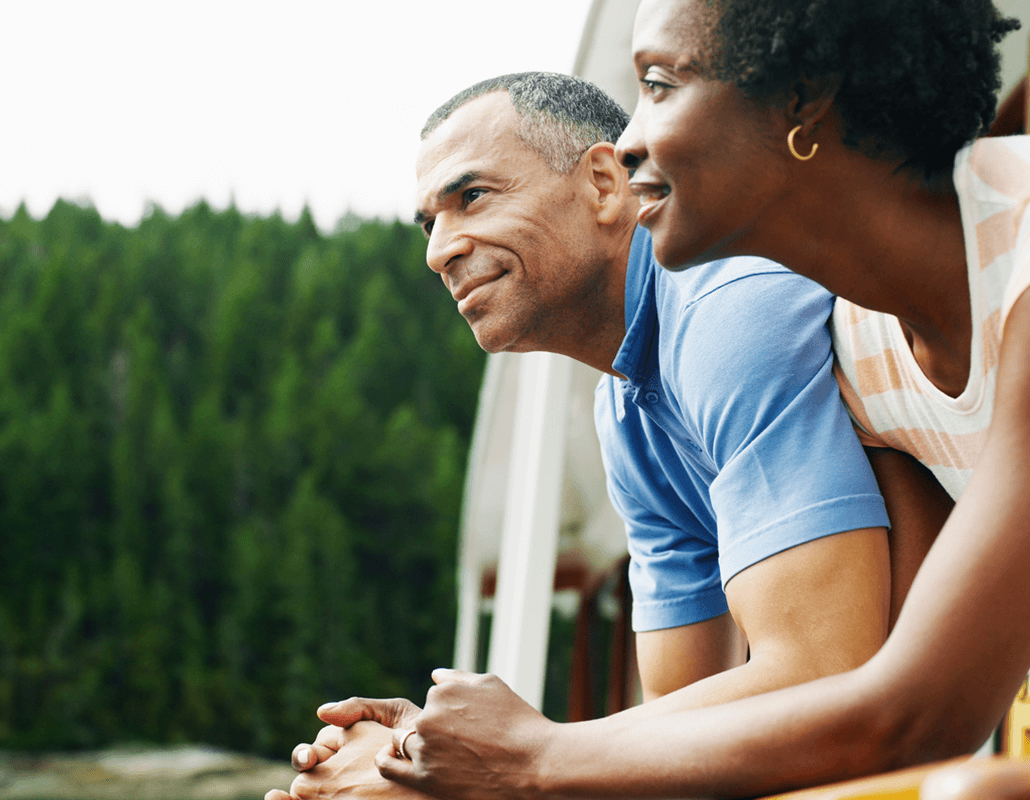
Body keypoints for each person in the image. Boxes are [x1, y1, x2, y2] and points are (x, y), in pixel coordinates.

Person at [272, 1, 1030, 798]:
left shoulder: (744, 309)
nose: (630, 140)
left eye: (660, 85)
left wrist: (524, 761)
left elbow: (882, 698)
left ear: (804, 99)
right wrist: (450, 756)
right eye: (427, 222)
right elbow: (686, 717)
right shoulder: (853, 338)